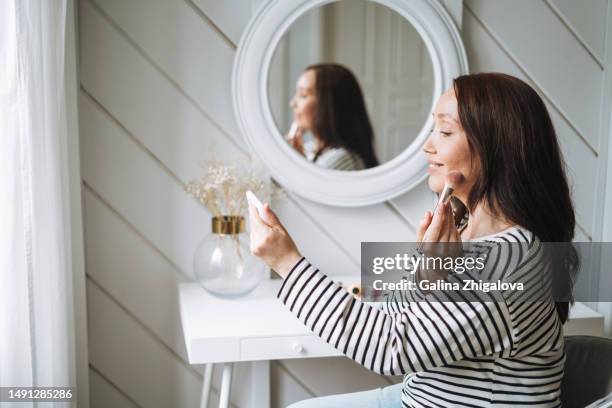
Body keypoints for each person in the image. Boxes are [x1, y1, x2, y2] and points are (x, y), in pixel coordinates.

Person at [249, 73, 578, 407]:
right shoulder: (464, 233)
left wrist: (287, 263)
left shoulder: (510, 262)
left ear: (495, 146)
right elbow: (396, 315)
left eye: (445, 131)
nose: (428, 145)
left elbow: (390, 347)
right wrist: (428, 272)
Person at [286, 63, 379, 171]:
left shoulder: (342, 159)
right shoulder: (309, 148)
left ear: (329, 104)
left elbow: (304, 187)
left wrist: (296, 161)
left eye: (303, 95)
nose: (292, 103)